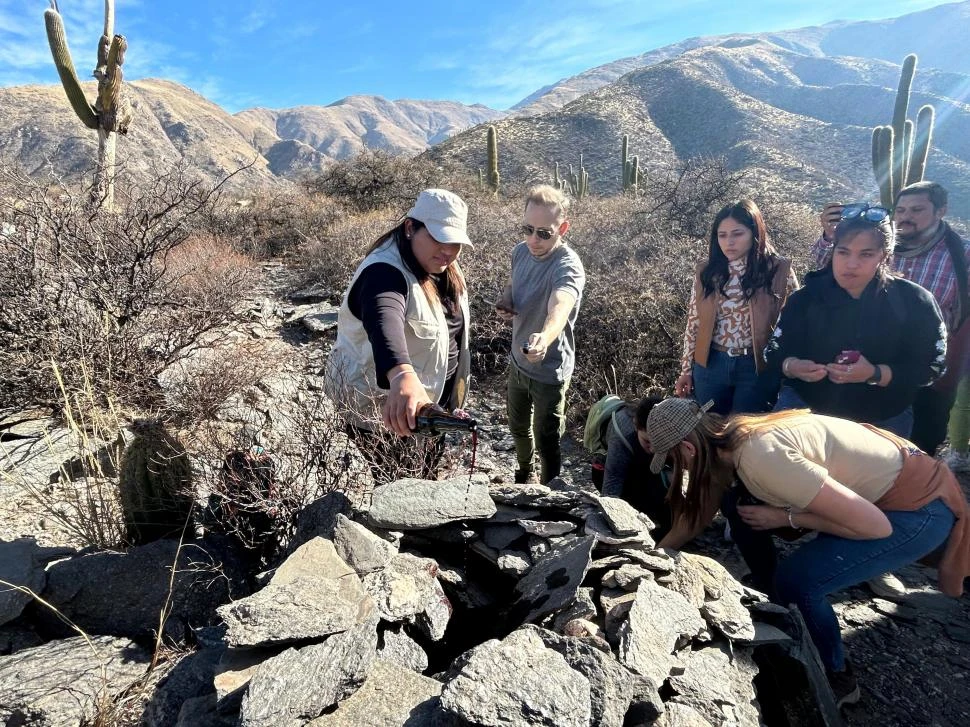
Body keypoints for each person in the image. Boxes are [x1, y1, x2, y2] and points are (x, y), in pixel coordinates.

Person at [648, 397, 970, 708]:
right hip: (893, 494)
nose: (680, 469)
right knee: (738, 504)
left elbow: (876, 527)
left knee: (798, 584)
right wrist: (649, 559)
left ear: (688, 449)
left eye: (676, 461)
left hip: (917, 512)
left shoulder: (761, 458)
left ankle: (838, 676)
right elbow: (699, 514)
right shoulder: (731, 437)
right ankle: (772, 593)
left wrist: (785, 517)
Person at [324, 188, 473, 480]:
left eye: (455, 242)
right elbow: (384, 320)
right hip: (384, 412)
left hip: (428, 410)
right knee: (400, 488)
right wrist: (402, 375)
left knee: (422, 479)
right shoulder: (384, 272)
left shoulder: (443, 267)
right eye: (438, 237)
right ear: (410, 227)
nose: (447, 249)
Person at [814, 182, 970, 454]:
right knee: (860, 448)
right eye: (901, 210)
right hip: (870, 362)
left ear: (940, 211)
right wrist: (830, 237)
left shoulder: (960, 255)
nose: (906, 216)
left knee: (918, 449)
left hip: (925, 370)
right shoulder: (876, 244)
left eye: (917, 209)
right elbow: (823, 269)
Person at [769, 207, 947, 438]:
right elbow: (772, 352)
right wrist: (792, 366)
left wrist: (874, 373)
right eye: (843, 252)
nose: (851, 264)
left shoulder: (914, 301)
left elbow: (933, 366)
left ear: (884, 256)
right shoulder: (805, 298)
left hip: (883, 418)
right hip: (807, 410)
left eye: (866, 254)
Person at [496, 185, 586, 484]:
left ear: (563, 228)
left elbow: (559, 308)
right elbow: (512, 286)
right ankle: (524, 474)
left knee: (546, 437)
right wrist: (506, 302)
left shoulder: (568, 266)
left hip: (549, 368)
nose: (534, 240)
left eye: (544, 233)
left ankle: (550, 492)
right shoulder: (519, 251)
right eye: (528, 229)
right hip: (518, 361)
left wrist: (543, 339)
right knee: (518, 426)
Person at [676, 199, 797, 415]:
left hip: (756, 366)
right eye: (722, 235)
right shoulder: (708, 271)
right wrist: (686, 370)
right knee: (710, 430)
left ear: (754, 232)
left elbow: (794, 324)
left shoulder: (778, 270)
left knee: (746, 436)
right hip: (711, 364)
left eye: (737, 234)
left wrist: (786, 369)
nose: (729, 242)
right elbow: (694, 322)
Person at [600, 396, 671, 539]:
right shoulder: (621, 434)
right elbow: (612, 482)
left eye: (657, 443)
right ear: (636, 424)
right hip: (608, 471)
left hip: (642, 466)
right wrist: (608, 526)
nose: (652, 449)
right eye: (647, 441)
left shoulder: (670, 428)